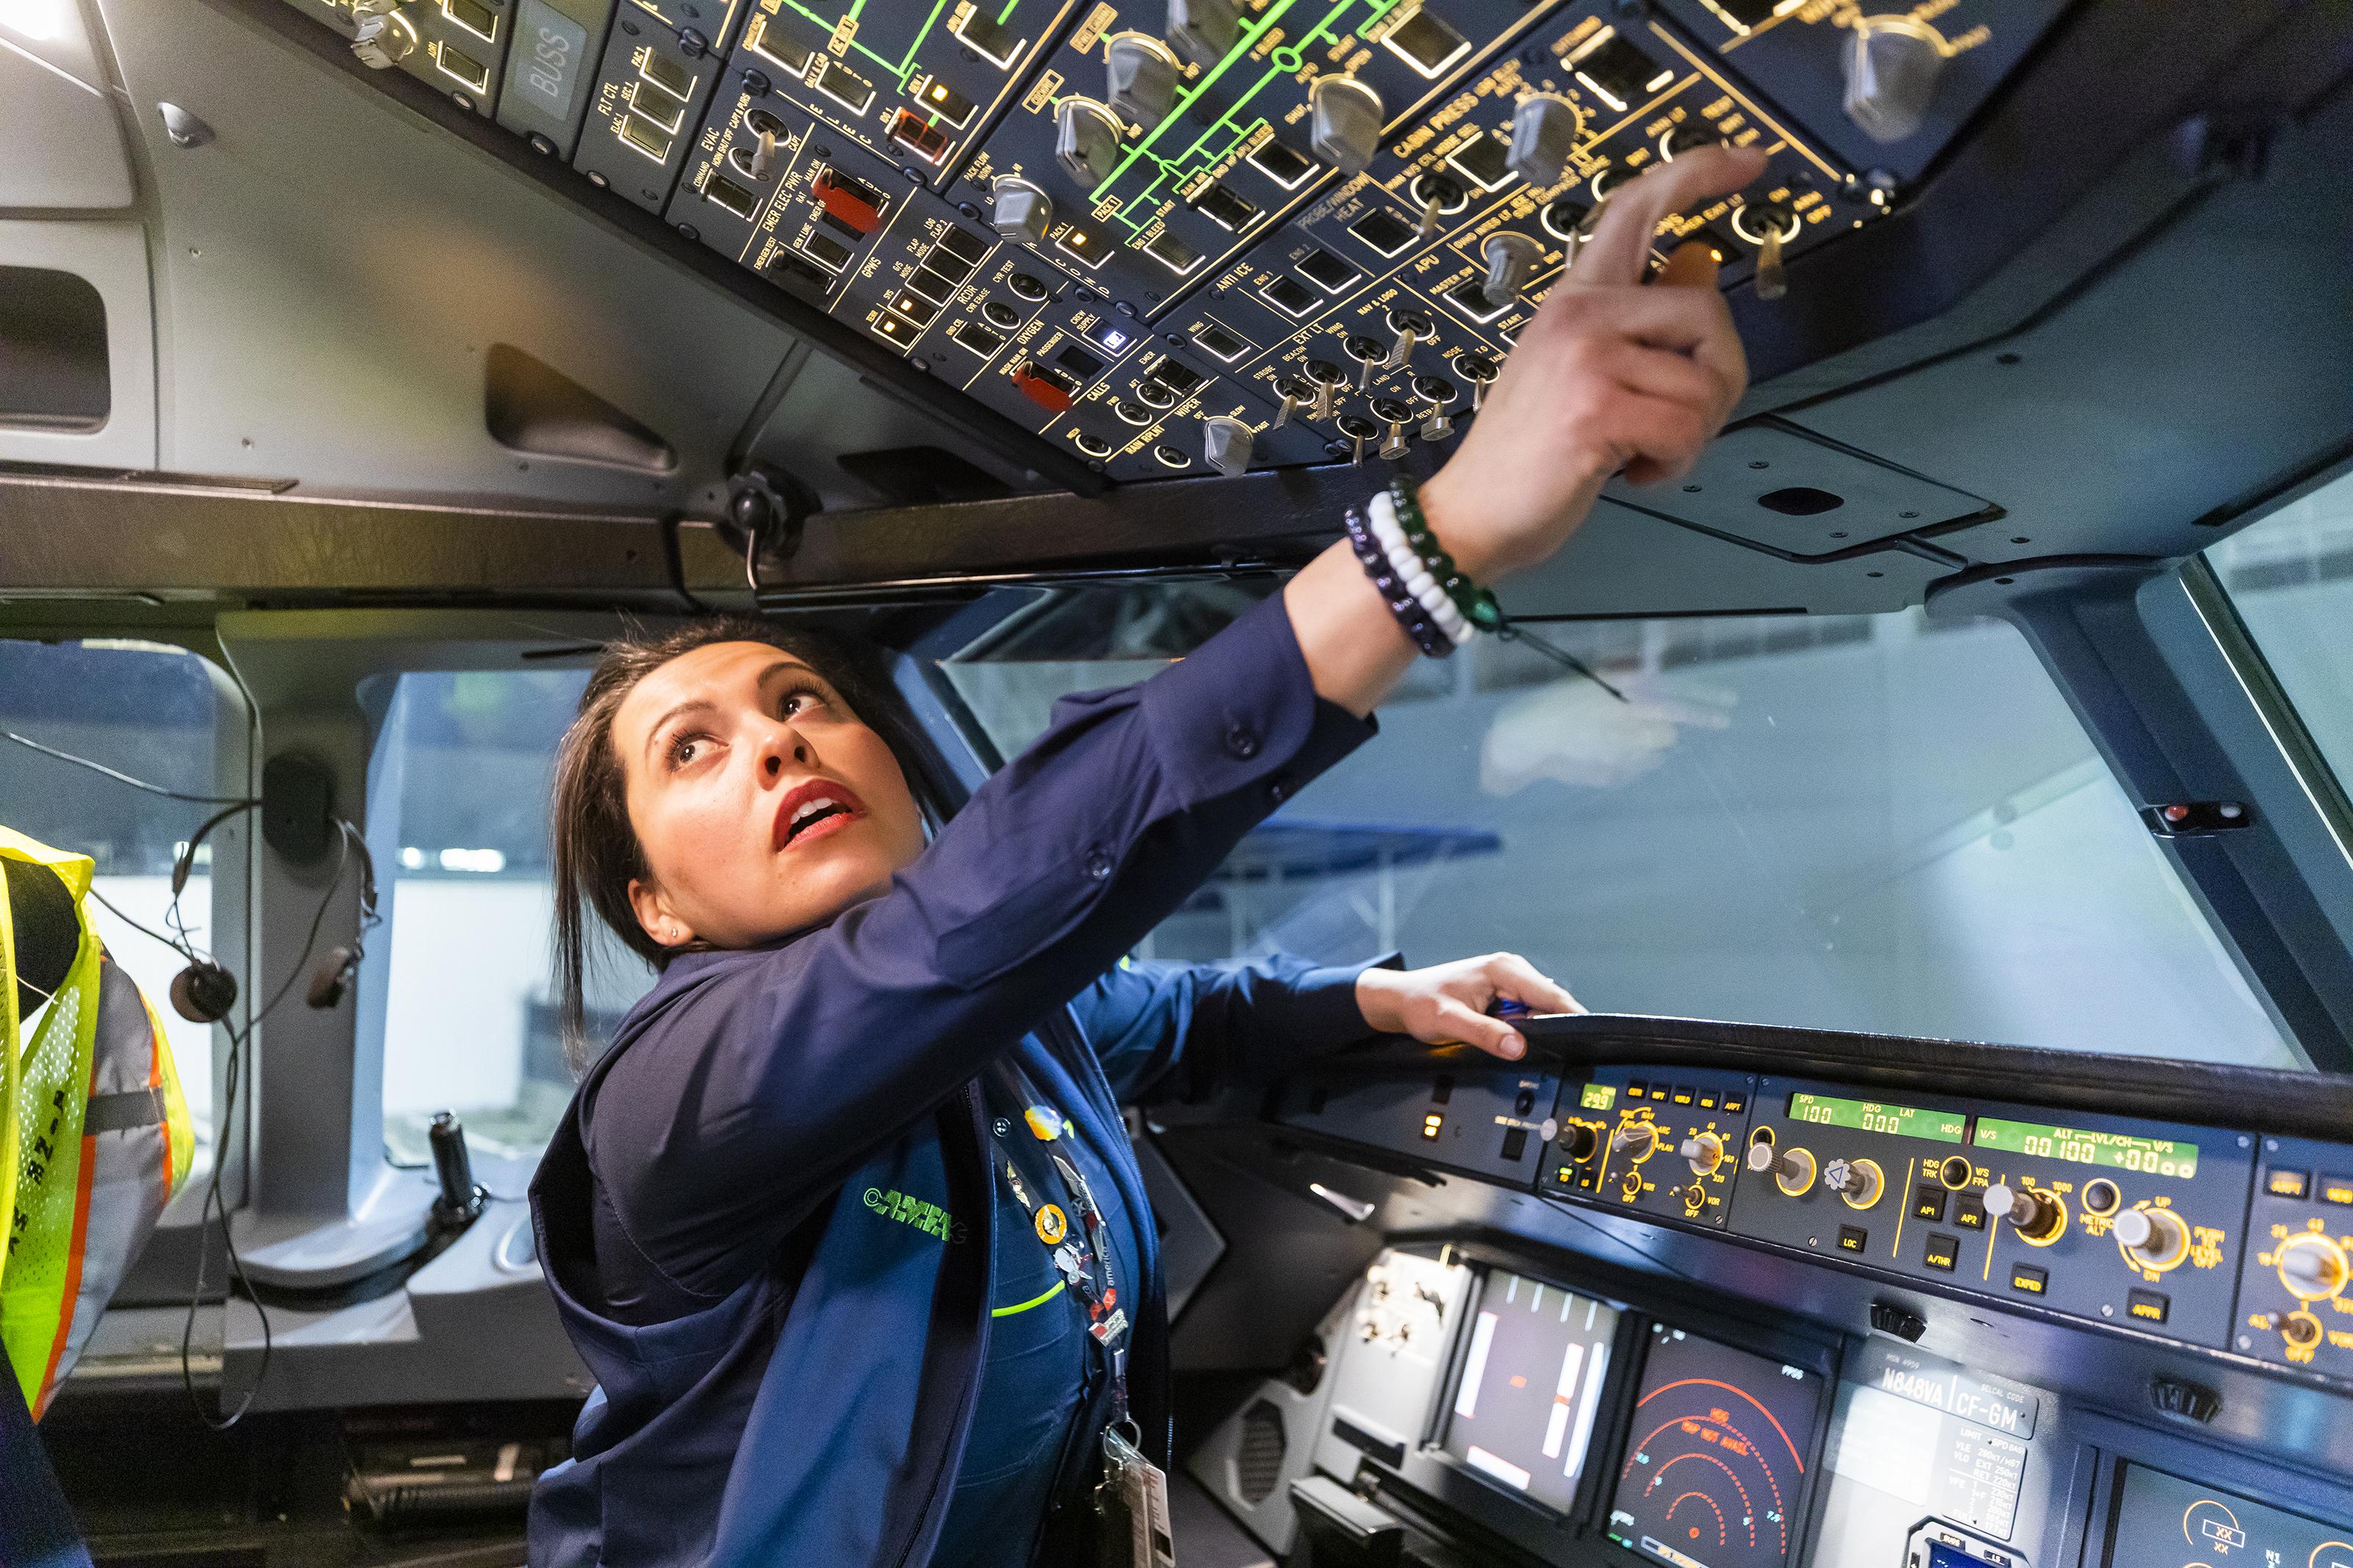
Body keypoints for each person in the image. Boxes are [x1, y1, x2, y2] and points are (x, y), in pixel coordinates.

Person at [525, 143, 1766, 1568]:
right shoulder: (680, 1100)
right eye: (694, 745)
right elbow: (989, 906)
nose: (778, 742)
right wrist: (1441, 538)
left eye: (802, 700)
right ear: (656, 908)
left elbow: (1167, 1014)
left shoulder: (1002, 1026)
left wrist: (1367, 1000)